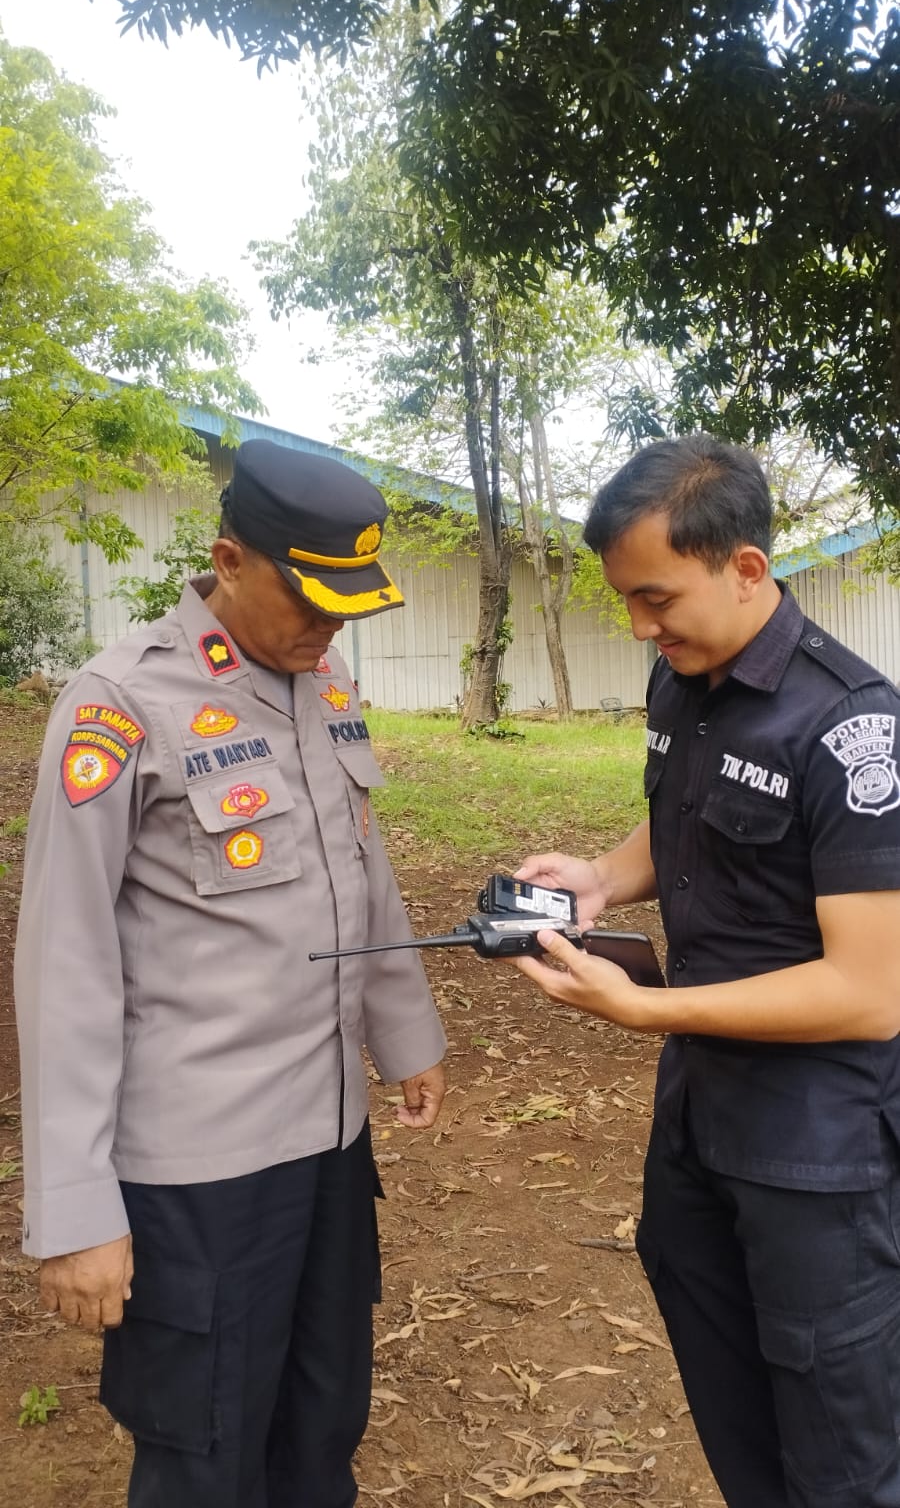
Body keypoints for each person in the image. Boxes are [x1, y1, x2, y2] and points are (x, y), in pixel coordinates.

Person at [14, 438, 447, 1508]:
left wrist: (405, 1032)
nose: (331, 628)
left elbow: (362, 868)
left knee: (322, 1420)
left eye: (349, 606)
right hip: (198, 1166)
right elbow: (64, 961)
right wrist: (75, 1208)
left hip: (329, 1141)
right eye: (312, 600)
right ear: (229, 559)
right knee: (204, 1450)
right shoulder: (122, 702)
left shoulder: (323, 679)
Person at [510, 435, 900, 1508]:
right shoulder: (684, 678)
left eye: (657, 598)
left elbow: (870, 991)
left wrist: (646, 1009)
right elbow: (686, 821)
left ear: (746, 568)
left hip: (816, 1155)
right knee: (733, 1404)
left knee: (840, 1445)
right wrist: (602, 877)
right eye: (627, 602)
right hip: (698, 1121)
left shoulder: (851, 726)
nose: (642, 627)